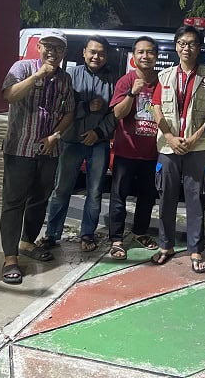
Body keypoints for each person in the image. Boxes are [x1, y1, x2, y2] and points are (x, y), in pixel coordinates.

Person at [0, 29, 75, 284]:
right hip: (20, 148)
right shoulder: (22, 68)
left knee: (40, 199)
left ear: (64, 52)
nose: (53, 52)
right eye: (48, 46)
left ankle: (27, 242)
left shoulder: (65, 79)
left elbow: (69, 112)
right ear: (39, 47)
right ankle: (10, 258)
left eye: (58, 48)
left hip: (49, 150)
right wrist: (38, 76)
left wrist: (55, 135)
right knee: (13, 203)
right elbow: (9, 94)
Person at [151, 25, 205, 273]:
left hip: (197, 146)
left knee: (195, 199)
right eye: (182, 43)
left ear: (199, 48)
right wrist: (170, 137)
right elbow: (156, 108)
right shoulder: (164, 76)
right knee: (166, 198)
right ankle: (166, 246)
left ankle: (195, 250)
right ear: (176, 46)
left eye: (191, 44)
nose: (186, 48)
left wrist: (193, 139)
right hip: (168, 146)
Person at [42, 35, 116, 252]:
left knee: (94, 192)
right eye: (92, 52)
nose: (96, 57)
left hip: (99, 143)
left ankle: (87, 234)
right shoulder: (70, 76)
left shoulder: (113, 80)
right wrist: (86, 107)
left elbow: (115, 113)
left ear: (106, 56)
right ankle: (52, 234)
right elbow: (61, 107)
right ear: (84, 53)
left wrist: (98, 132)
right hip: (71, 141)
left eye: (101, 53)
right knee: (61, 190)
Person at [107, 36, 160, 259]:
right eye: (141, 52)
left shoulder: (162, 81)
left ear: (156, 56)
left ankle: (140, 232)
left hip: (152, 153)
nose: (145, 56)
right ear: (134, 56)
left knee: (147, 197)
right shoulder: (126, 81)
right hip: (126, 151)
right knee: (119, 197)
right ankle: (116, 239)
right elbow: (118, 113)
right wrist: (132, 93)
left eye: (150, 52)